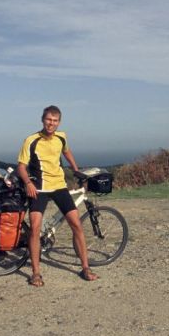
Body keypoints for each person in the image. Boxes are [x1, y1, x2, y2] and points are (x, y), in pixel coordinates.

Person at [16, 105, 99, 287]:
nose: (51, 123)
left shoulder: (62, 137)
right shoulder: (31, 140)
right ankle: (36, 273)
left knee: (76, 224)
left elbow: (66, 151)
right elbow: (21, 166)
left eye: (55, 121)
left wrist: (75, 169)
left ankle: (85, 267)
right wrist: (28, 183)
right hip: (39, 188)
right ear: (42, 119)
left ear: (58, 122)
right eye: (48, 119)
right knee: (36, 228)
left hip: (59, 186)